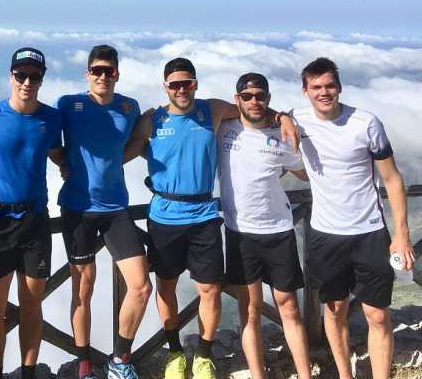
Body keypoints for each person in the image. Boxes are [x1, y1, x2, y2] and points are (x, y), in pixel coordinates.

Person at [124, 58, 297, 379]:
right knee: (166, 286)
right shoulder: (152, 120)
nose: (181, 89)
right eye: (175, 84)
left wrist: (283, 117)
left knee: (210, 289)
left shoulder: (212, 110)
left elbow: (251, 109)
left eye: (187, 83)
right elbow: (123, 151)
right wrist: (76, 166)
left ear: (195, 84)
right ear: (165, 87)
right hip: (164, 215)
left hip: (204, 214)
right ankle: (175, 352)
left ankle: (203, 355)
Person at [297, 57, 415, 379]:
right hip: (325, 234)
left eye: (329, 85)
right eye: (316, 87)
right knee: (334, 310)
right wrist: (281, 119)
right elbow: (258, 114)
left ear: (339, 87)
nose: (324, 92)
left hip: (369, 232)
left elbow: (392, 178)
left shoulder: (366, 123)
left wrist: (401, 233)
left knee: (377, 314)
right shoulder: (297, 121)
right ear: (305, 91)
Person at [0, 47, 63, 379]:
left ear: (41, 79)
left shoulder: (51, 118)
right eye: (21, 75)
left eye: (35, 76)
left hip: (35, 220)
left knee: (32, 305)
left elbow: (57, 153)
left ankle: (28, 373)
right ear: (11, 77)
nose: (27, 82)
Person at [55, 44, 152, 379]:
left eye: (108, 71)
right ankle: (83, 364)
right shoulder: (68, 105)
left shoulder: (128, 107)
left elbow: (137, 140)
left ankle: (119, 360)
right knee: (83, 290)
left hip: (116, 208)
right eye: (96, 70)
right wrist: (66, 163)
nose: (102, 76)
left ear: (117, 74)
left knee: (141, 286)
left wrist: (114, 161)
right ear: (87, 74)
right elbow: (48, 138)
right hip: (77, 208)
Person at [218, 73, 310, 378]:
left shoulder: (282, 136)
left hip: (278, 230)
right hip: (240, 232)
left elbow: (306, 173)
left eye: (260, 96)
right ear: (237, 99)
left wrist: (285, 120)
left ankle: (305, 374)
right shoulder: (223, 129)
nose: (254, 101)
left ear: (268, 99)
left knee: (289, 307)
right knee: (249, 310)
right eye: (247, 96)